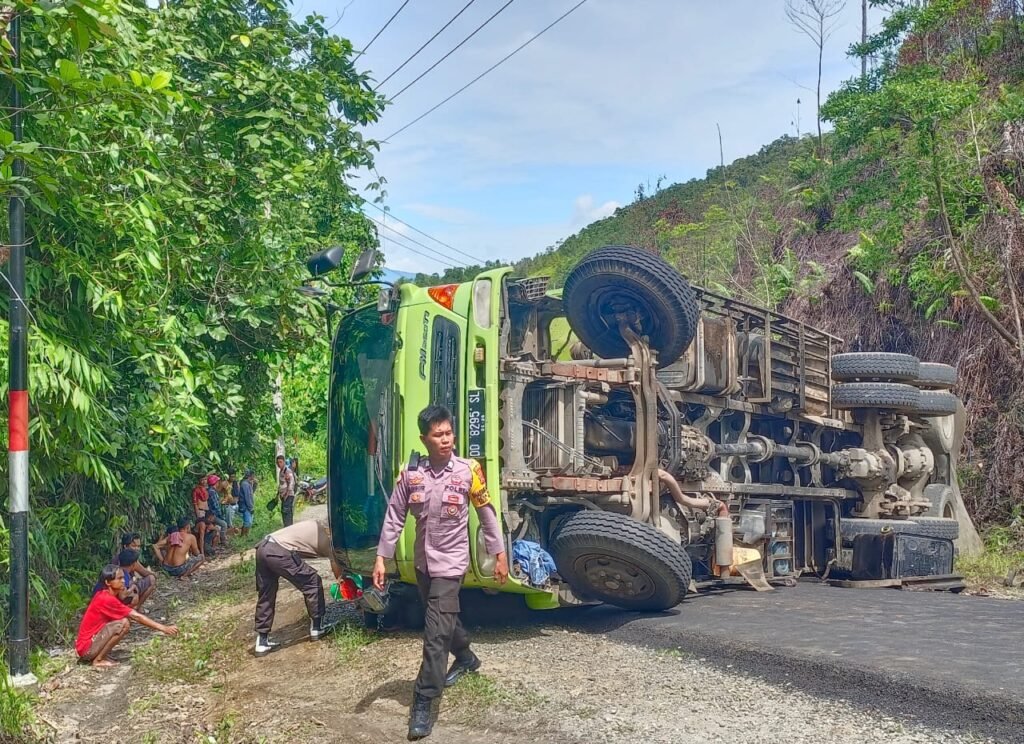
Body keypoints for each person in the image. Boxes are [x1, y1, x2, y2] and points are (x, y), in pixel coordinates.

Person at [373, 404, 508, 741]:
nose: (446, 440)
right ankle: (465, 656)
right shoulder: (411, 474)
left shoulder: (468, 471)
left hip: (451, 565)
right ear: (424, 438)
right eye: (438, 435)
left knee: (434, 635)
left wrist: (499, 553)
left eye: (449, 433)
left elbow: (487, 513)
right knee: (444, 621)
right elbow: (395, 516)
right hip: (423, 565)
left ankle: (424, 701)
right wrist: (381, 557)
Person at [253, 519, 343, 657]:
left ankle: (262, 641)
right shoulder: (327, 539)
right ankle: (317, 628)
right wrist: (341, 580)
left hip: (262, 548)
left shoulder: (314, 524)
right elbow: (336, 567)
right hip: (279, 551)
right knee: (313, 582)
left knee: (266, 594)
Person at [76, 564, 178, 668]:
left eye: (123, 578)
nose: (123, 581)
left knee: (122, 621)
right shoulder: (106, 599)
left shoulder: (103, 594)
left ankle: (101, 655)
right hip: (87, 649)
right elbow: (136, 616)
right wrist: (163, 628)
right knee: (123, 623)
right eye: (119, 578)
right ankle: (98, 660)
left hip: (86, 645)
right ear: (108, 582)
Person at [205, 474, 229, 547]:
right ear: (216, 483)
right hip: (212, 514)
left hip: (210, 513)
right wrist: (220, 516)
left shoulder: (210, 490)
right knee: (224, 524)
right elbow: (216, 506)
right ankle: (223, 540)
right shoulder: (212, 492)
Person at [276, 454, 296, 527]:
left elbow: (291, 483)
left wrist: (287, 494)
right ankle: (287, 527)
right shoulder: (281, 471)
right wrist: (278, 494)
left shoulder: (287, 471)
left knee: (287, 512)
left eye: (280, 462)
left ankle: (288, 527)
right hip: (283, 495)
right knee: (284, 512)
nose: (279, 464)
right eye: (278, 462)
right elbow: (282, 484)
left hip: (288, 495)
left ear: (284, 462)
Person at [238, 468, 256, 537]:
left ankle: (245, 536)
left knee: (248, 522)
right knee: (247, 522)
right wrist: (250, 507)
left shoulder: (248, 483)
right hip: (245, 506)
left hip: (246, 505)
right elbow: (247, 497)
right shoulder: (245, 484)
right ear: (251, 475)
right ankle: (243, 536)